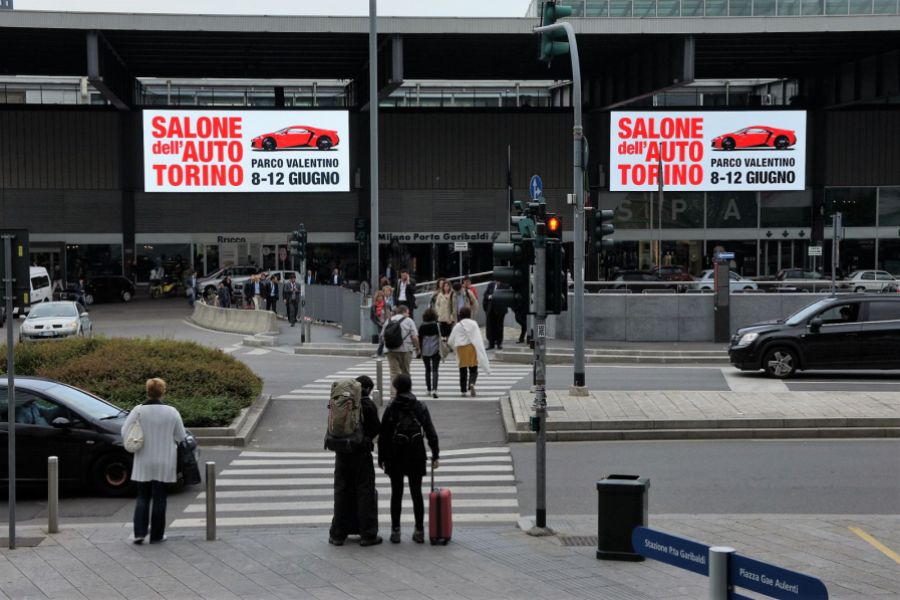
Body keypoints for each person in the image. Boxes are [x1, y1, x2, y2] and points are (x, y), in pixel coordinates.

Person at [122, 378, 187, 544]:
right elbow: (181, 436)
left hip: (143, 459)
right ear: (162, 392)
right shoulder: (172, 411)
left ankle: (139, 533)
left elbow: (125, 431)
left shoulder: (138, 411)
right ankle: (157, 535)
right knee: (160, 497)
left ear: (147, 391)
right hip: (165, 460)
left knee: (143, 496)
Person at [378, 373, 439, 544]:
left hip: (395, 455)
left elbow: (384, 436)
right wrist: (435, 454)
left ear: (396, 388)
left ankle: (395, 531)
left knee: (396, 493)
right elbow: (430, 432)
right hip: (416, 454)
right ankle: (419, 530)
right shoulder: (420, 406)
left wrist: (381, 458)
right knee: (416, 492)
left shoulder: (391, 408)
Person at [329, 375, 382, 547]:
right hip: (360, 454)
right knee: (365, 491)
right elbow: (376, 429)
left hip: (341, 453)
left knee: (342, 491)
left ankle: (337, 534)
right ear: (368, 389)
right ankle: (367, 534)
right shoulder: (366, 404)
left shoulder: (341, 402)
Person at [447, 306, 490, 397]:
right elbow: (478, 337)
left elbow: (450, 340)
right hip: (471, 347)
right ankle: (472, 383)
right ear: (469, 314)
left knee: (462, 370)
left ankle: (463, 390)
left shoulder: (458, 325)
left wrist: (454, 348)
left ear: (460, 315)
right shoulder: (474, 323)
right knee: (473, 368)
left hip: (461, 349)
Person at [381, 305, 419, 397]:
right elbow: (414, 337)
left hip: (390, 350)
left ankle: (394, 396)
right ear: (405, 311)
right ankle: (406, 394)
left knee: (394, 373)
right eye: (408, 312)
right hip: (405, 349)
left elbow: (382, 336)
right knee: (405, 372)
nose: (408, 314)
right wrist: (417, 348)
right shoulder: (409, 320)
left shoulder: (388, 320)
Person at [418, 308, 442, 398]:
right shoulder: (437, 325)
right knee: (435, 369)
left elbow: (419, 339)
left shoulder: (422, 326)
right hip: (436, 349)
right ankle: (435, 389)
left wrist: (419, 350)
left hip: (425, 350)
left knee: (427, 369)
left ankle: (428, 389)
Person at [483, 280, 508, 350]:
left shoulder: (505, 285)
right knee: (490, 327)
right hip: (491, 309)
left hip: (500, 309)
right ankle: (491, 344)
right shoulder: (491, 284)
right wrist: (489, 297)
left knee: (499, 327)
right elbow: (485, 294)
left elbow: (506, 296)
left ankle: (499, 343)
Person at [370, 290, 389, 355]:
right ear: (376, 297)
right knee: (381, 338)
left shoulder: (386, 305)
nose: (380, 298)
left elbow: (391, 314)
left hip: (387, 324)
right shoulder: (373, 307)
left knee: (386, 338)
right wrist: (378, 323)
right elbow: (372, 317)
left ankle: (380, 352)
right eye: (379, 296)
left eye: (381, 296)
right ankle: (381, 352)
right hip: (379, 325)